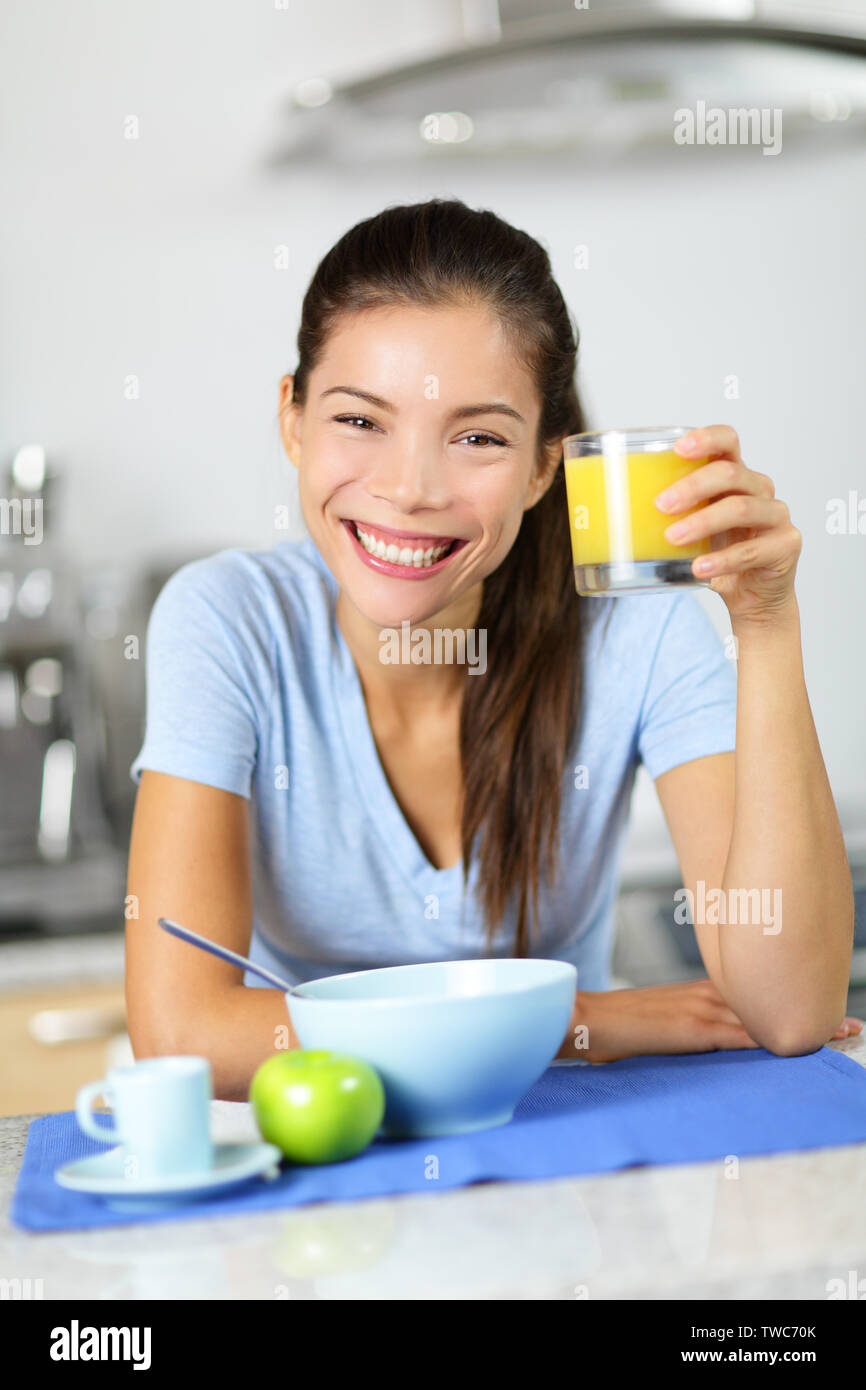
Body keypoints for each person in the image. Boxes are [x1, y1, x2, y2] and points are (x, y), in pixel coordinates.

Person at [125, 199, 860, 1100]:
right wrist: (589, 1020)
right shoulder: (227, 620)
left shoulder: (640, 628)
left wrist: (768, 625)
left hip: (572, 1169)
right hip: (314, 1183)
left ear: (545, 466)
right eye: (360, 421)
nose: (409, 489)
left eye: (477, 438)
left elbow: (788, 1011)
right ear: (293, 419)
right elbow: (182, 1034)